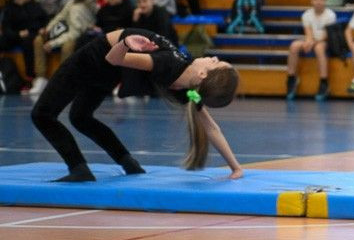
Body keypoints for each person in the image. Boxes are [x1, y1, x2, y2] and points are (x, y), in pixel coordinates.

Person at [31, 28, 241, 182]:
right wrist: (236, 168)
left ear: (203, 74)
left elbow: (113, 59)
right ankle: (128, 162)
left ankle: (79, 168)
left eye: (215, 62)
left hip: (98, 59)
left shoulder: (169, 68)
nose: (213, 56)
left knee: (42, 115)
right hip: (110, 64)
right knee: (81, 117)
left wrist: (125, 44)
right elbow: (211, 126)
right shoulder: (189, 89)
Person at [30, 0, 96, 96]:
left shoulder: (82, 8)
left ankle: (65, 80)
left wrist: (53, 43)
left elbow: (74, 33)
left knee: (67, 45)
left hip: (76, 35)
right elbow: (61, 16)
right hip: (63, 29)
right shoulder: (71, 2)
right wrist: (48, 29)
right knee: (38, 40)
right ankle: (40, 78)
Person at [286, 0, 336, 101]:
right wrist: (308, 42)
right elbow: (308, 32)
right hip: (312, 39)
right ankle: (291, 78)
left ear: (326, 0)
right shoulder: (306, 15)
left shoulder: (330, 15)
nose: (319, 1)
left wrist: (312, 42)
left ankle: (324, 81)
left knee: (319, 48)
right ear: (311, 0)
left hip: (324, 41)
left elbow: (326, 35)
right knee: (294, 46)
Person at [0, 0, 48, 83]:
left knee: (28, 42)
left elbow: (44, 19)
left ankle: (30, 77)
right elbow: (6, 29)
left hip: (32, 34)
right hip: (16, 36)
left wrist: (43, 28)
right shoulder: (9, 9)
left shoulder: (34, 5)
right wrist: (18, 34)